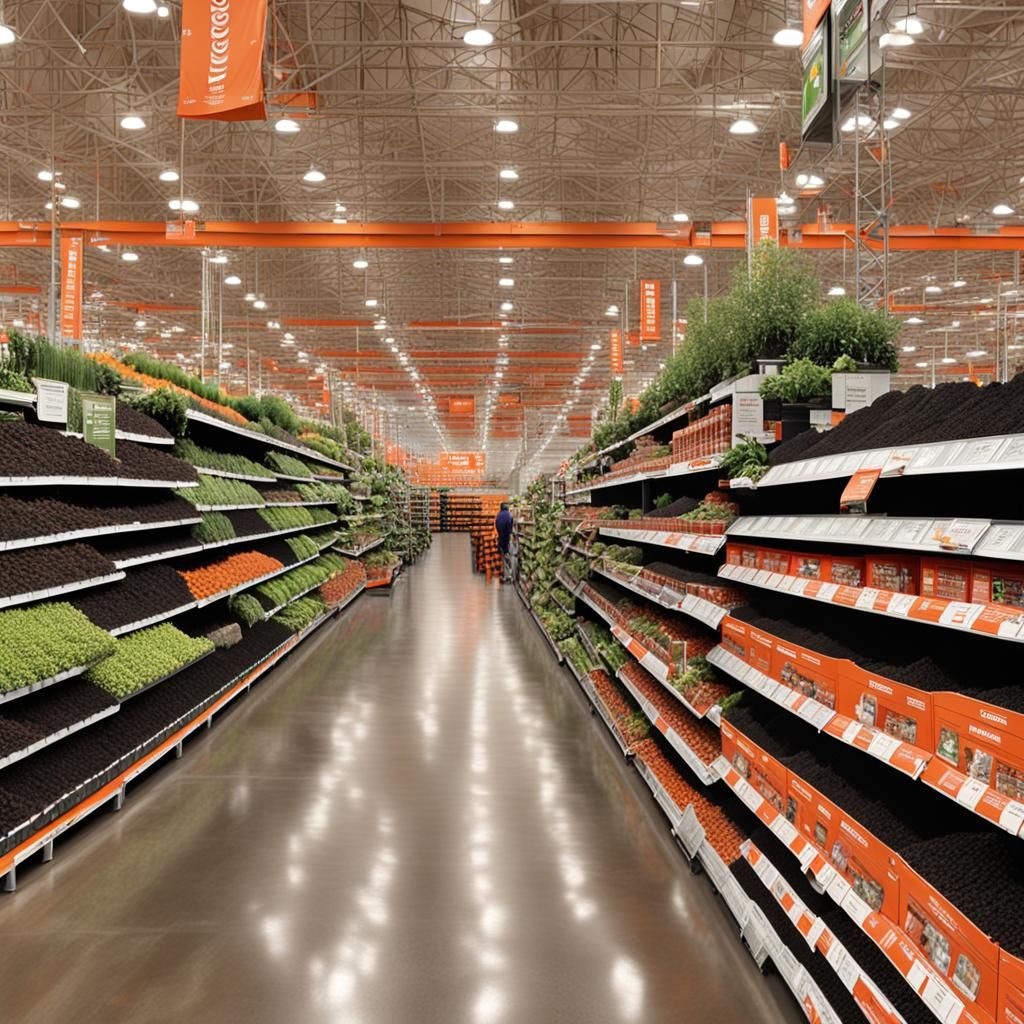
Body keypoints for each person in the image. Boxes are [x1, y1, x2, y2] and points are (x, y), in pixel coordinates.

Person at [494, 502, 514, 582]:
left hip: (501, 539)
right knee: (508, 557)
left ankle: (505, 574)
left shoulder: (498, 515)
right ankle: (508, 576)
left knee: (504, 557)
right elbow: (510, 526)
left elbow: (497, 526)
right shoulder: (509, 515)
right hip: (507, 539)